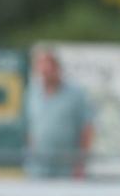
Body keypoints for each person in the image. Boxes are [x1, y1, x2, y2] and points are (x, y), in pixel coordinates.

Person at [25, 49, 94, 179]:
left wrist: (80, 164)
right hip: (38, 168)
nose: (44, 75)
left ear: (57, 69)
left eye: (47, 71)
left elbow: (87, 130)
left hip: (66, 167)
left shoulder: (76, 94)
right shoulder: (32, 93)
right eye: (41, 71)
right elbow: (31, 129)